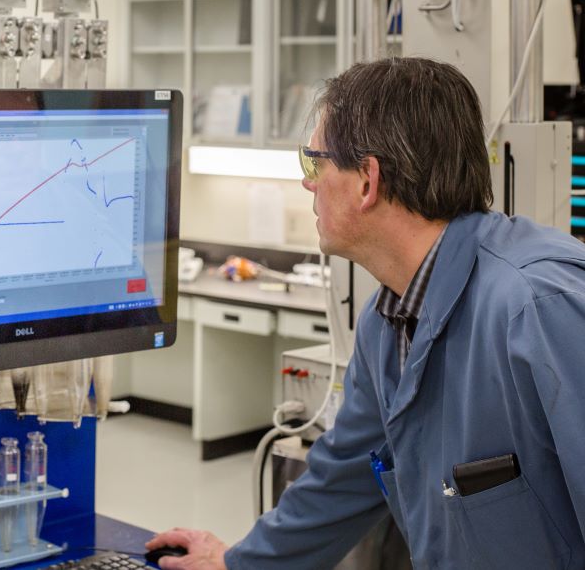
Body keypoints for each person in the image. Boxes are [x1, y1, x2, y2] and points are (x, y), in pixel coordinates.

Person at [146, 57, 585, 569]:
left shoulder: (539, 305)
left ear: (367, 181)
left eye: (315, 164)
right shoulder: (388, 321)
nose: (309, 184)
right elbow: (342, 481)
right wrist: (236, 562)